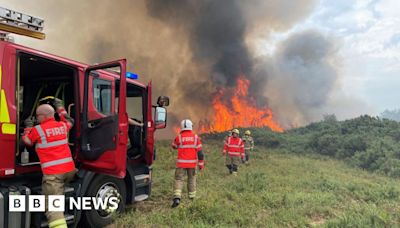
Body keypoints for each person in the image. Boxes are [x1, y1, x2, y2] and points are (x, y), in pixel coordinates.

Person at [21, 98, 76, 228]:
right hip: (69, 171)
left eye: (37, 115)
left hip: (53, 176)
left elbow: (27, 142)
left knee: (53, 208)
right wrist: (61, 108)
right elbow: (70, 121)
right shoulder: (62, 126)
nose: (36, 118)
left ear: (42, 116)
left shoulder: (38, 130)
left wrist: (28, 128)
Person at [171, 119, 204, 208]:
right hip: (192, 164)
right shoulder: (196, 138)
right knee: (191, 179)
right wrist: (201, 164)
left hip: (181, 164)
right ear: (190, 126)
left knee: (178, 179)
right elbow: (200, 153)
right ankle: (192, 198)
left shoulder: (179, 137)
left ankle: (177, 198)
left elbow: (174, 146)